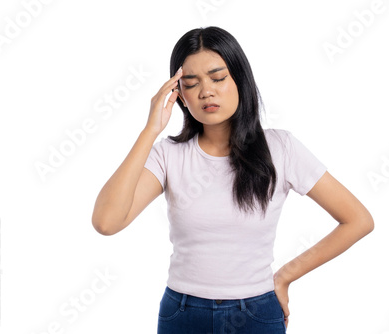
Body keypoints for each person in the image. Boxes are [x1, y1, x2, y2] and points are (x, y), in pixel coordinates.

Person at [91, 26, 374, 333]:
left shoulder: (280, 148)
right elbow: (107, 222)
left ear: (240, 79)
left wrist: (284, 276)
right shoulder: (169, 154)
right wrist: (150, 130)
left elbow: (357, 220)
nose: (206, 91)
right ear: (179, 94)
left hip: (256, 312)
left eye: (218, 77)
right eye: (191, 83)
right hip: (183, 313)